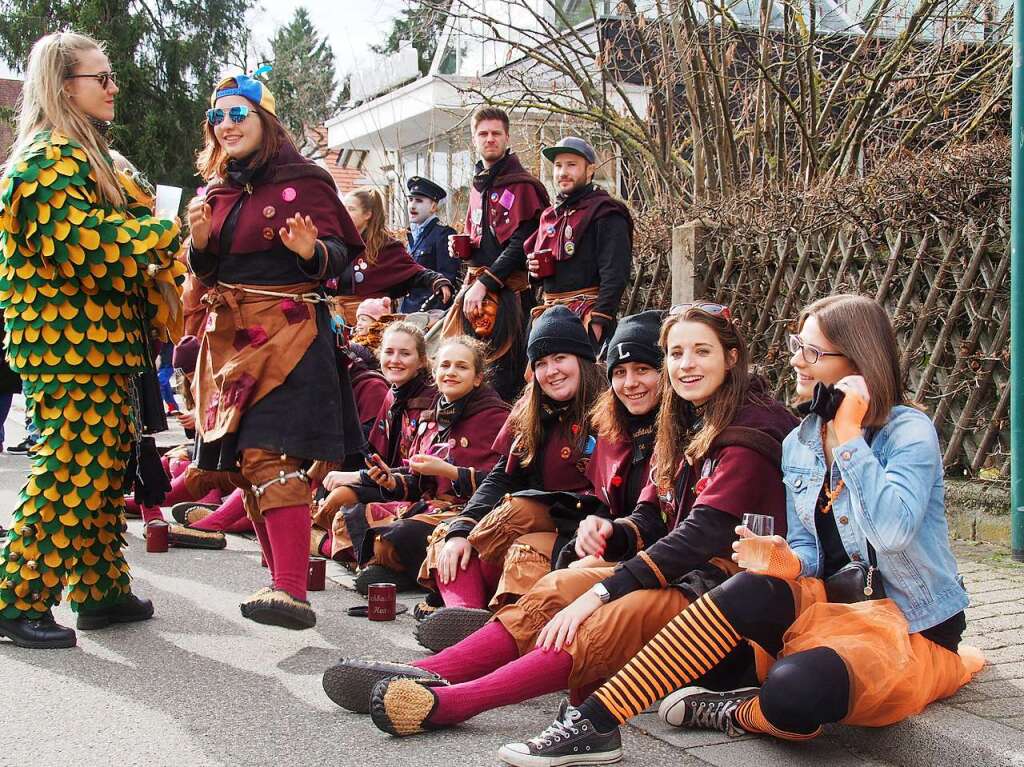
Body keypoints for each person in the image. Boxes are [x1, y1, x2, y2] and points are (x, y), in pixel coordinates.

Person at [499, 294, 984, 767]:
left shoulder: (907, 431)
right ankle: (596, 724)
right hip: (835, 608)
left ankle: (737, 710)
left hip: (911, 624)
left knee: (792, 692)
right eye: (798, 344)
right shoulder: (801, 441)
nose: (796, 360)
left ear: (857, 361)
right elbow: (809, 553)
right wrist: (785, 559)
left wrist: (851, 435)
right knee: (750, 586)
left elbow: (894, 532)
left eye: (811, 352)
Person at [0, 31, 182, 648]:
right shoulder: (44, 163)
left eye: (110, 76)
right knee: (71, 467)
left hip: (104, 343)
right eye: (98, 78)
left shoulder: (93, 157)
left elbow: (123, 225)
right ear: (62, 85)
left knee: (104, 471)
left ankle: (99, 588)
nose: (112, 87)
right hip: (67, 345)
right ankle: (15, 597)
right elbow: (92, 248)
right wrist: (168, 232)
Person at [186, 73, 365, 630]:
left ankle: (289, 588)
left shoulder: (305, 180)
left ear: (265, 120)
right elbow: (209, 272)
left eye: (238, 113)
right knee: (243, 465)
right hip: (228, 342)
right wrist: (197, 246)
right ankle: (282, 570)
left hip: (289, 334)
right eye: (218, 117)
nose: (227, 125)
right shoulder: (215, 191)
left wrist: (313, 251)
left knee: (269, 456)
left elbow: (344, 257)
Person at [414, 307, 606, 651]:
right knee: (452, 535)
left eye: (560, 358)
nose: (551, 371)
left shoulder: (609, 409)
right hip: (532, 522)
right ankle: (467, 619)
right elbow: (500, 479)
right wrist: (462, 530)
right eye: (542, 363)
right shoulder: (529, 409)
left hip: (585, 532)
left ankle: (498, 640)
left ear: (582, 358)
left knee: (523, 539)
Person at [328, 336, 510, 595]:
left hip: (466, 513)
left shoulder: (497, 418)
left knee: (393, 537)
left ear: (478, 377)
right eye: (445, 366)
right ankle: (394, 570)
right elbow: (420, 481)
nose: (451, 372)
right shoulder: (434, 415)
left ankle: (400, 572)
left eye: (461, 366)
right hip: (429, 506)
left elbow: (501, 485)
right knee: (349, 517)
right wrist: (391, 480)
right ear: (435, 373)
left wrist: (448, 472)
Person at [441, 106, 549, 401]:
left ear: (507, 137)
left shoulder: (524, 186)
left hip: (510, 297)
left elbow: (520, 244)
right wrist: (463, 250)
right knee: (472, 374)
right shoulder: (478, 186)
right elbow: (482, 239)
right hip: (477, 292)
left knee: (505, 383)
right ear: (474, 139)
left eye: (496, 134)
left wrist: (484, 283)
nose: (490, 139)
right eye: (483, 134)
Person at [312, 321, 437, 555]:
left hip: (418, 488)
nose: (395, 360)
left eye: (405, 353)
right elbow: (374, 453)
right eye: (389, 352)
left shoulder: (429, 401)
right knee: (330, 492)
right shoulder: (393, 393)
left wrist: (357, 477)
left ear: (421, 361)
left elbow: (418, 470)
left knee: (342, 499)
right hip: (389, 482)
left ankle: (323, 546)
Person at [525, 137, 632, 352]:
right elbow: (542, 275)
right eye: (558, 166)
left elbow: (615, 273)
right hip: (548, 313)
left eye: (571, 165)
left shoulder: (607, 212)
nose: (563, 172)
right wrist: (535, 272)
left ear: (590, 169)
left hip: (587, 316)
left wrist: (599, 321)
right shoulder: (549, 215)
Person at [334, 188, 452, 323]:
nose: (344, 213)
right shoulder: (338, 242)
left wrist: (437, 280)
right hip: (336, 321)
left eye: (351, 209)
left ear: (367, 214)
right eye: (343, 208)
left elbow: (414, 273)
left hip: (371, 323)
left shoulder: (385, 246)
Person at [400, 176, 459, 313]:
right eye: (410, 200)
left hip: (428, 315)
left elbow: (446, 282)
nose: (412, 206)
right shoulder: (411, 235)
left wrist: (429, 316)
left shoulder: (443, 234)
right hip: (407, 311)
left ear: (433, 206)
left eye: (419, 201)